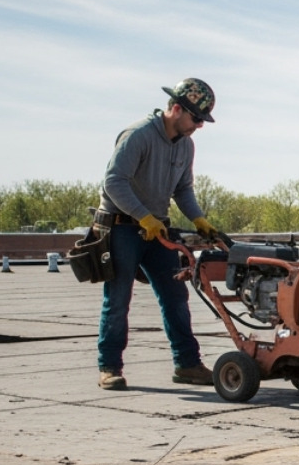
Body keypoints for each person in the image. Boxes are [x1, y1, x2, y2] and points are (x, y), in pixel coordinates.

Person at [95, 78, 223, 391]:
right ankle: (109, 367)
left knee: (176, 296)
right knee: (119, 298)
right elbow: (113, 182)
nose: (198, 126)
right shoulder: (138, 136)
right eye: (195, 118)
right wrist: (143, 217)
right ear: (176, 108)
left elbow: (183, 189)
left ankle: (187, 364)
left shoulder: (186, 145)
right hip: (122, 227)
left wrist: (199, 219)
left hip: (158, 230)